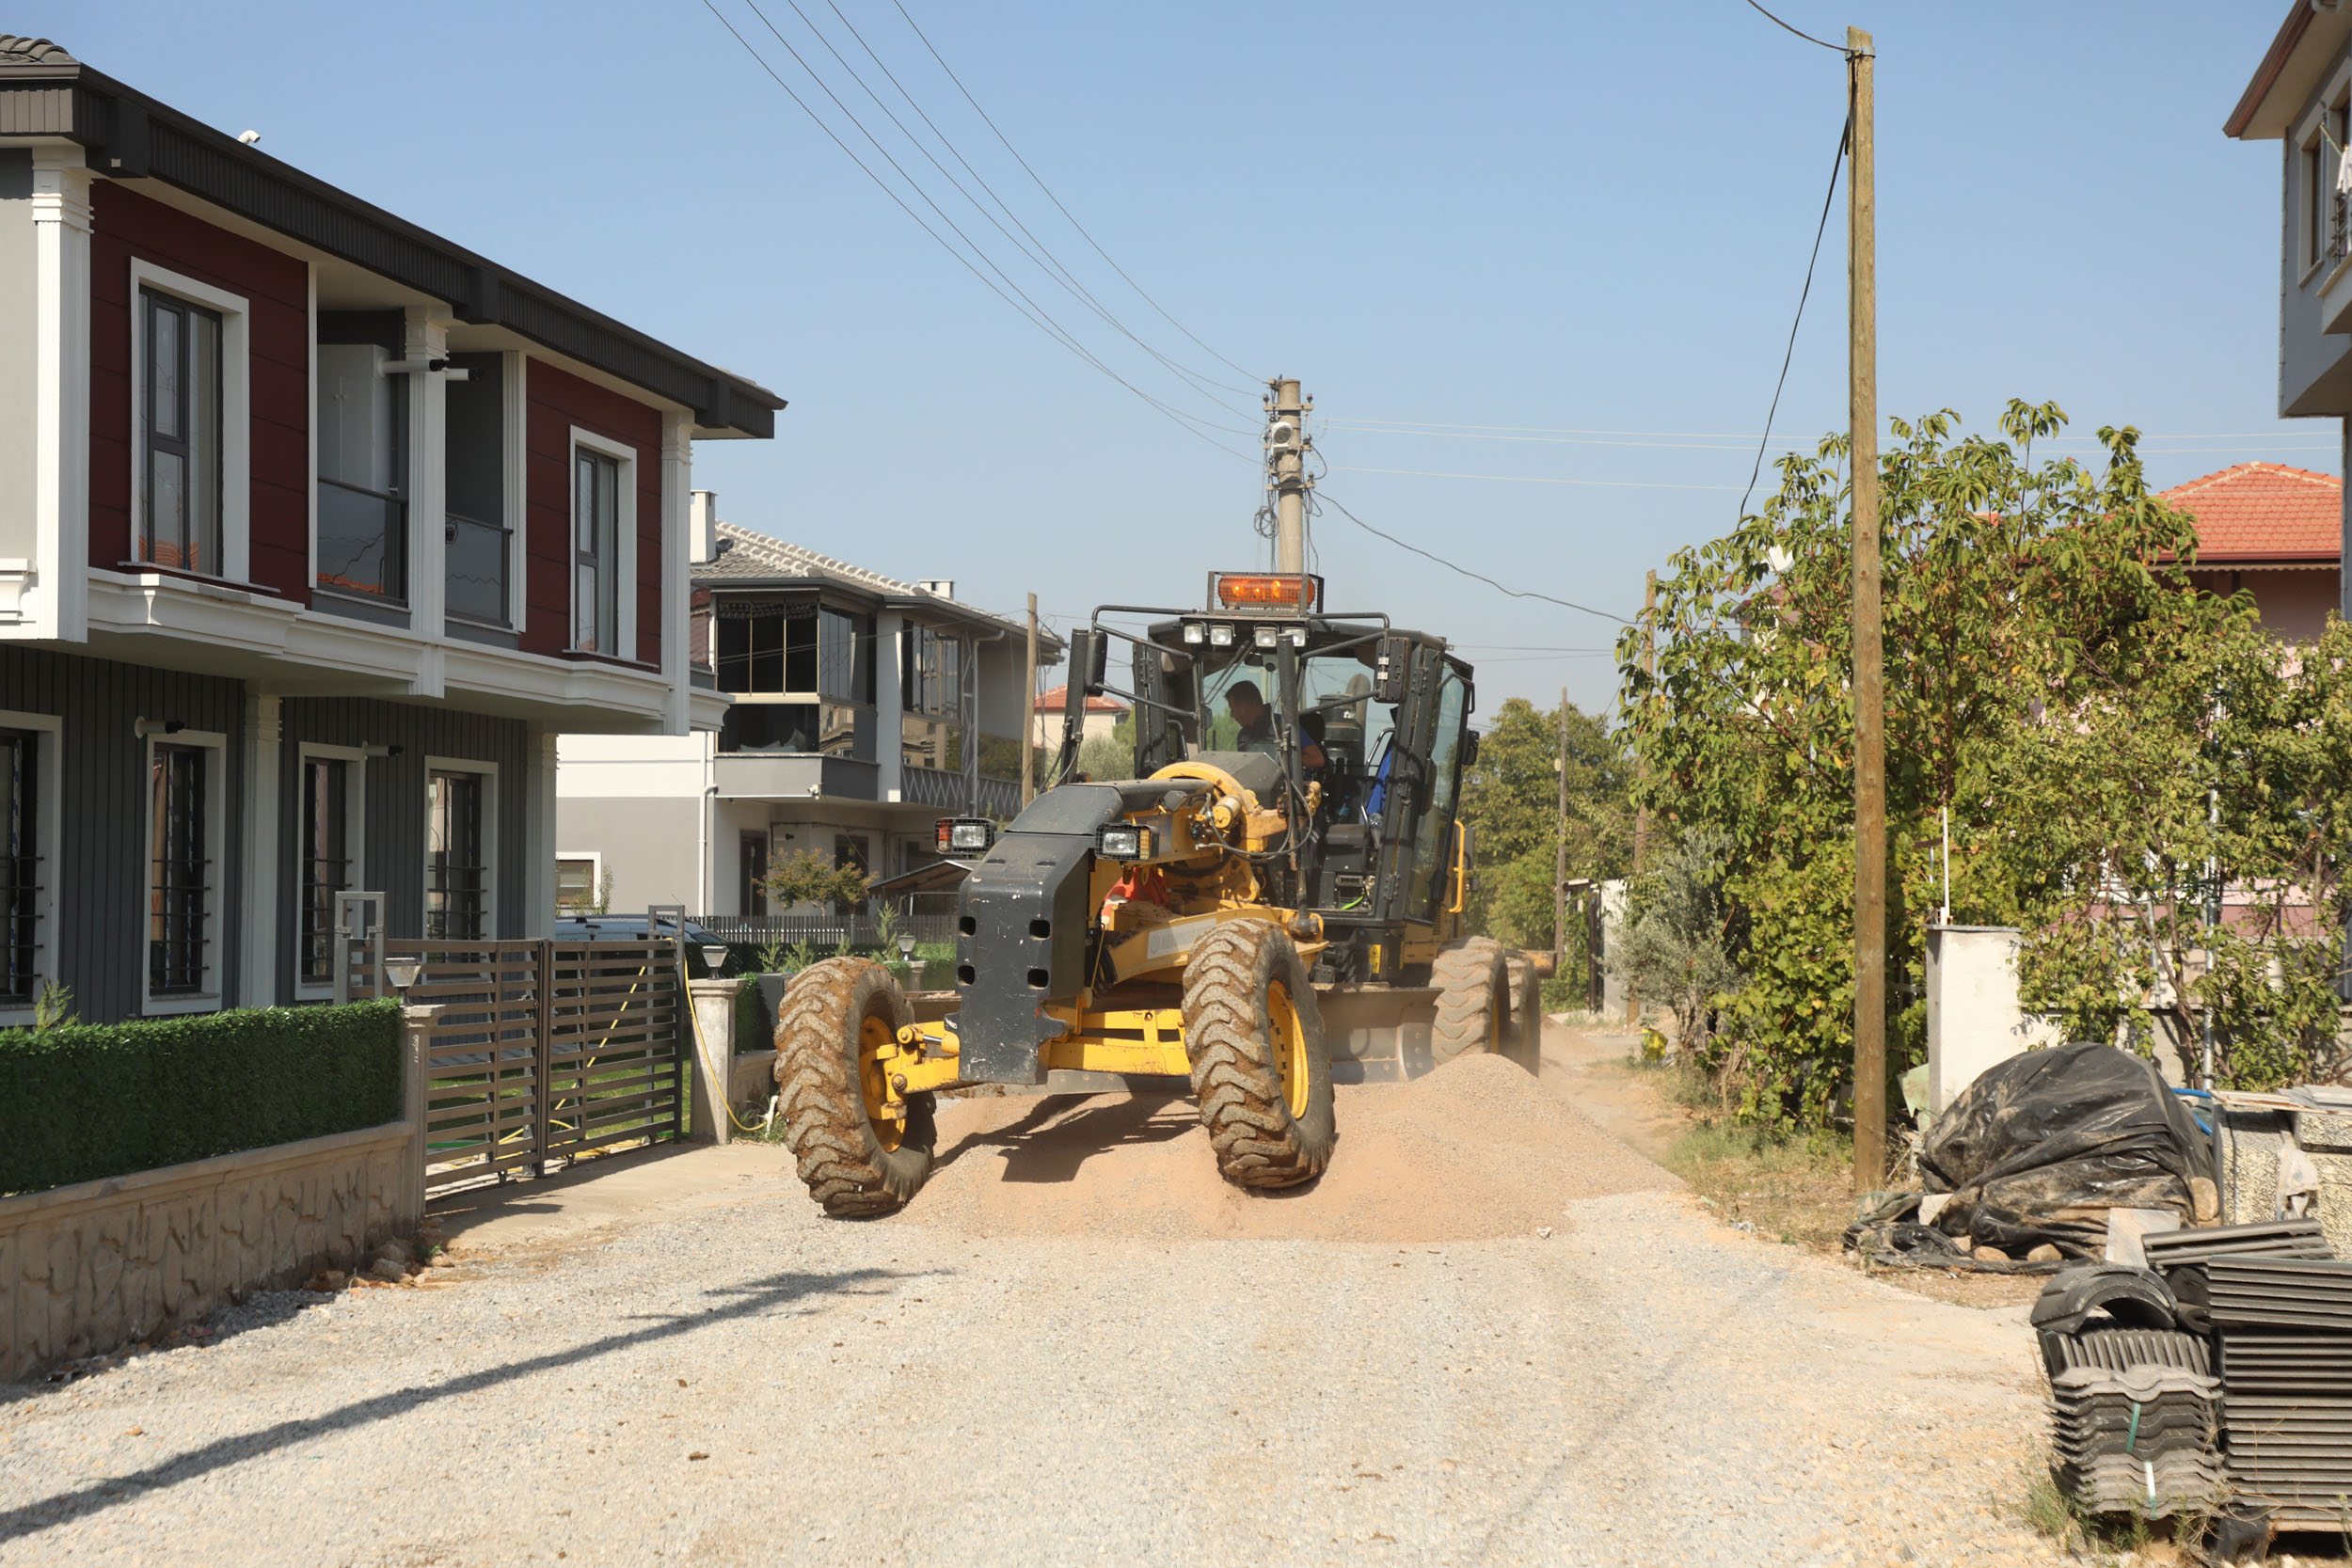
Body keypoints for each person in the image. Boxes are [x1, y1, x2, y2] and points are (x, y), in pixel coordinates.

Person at [1224, 680, 1326, 768]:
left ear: (1251, 703)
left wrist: (1280, 761)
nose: (1232, 715)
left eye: (1234, 708)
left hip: (1288, 789)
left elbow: (1317, 759)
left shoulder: (1284, 726)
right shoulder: (1243, 736)